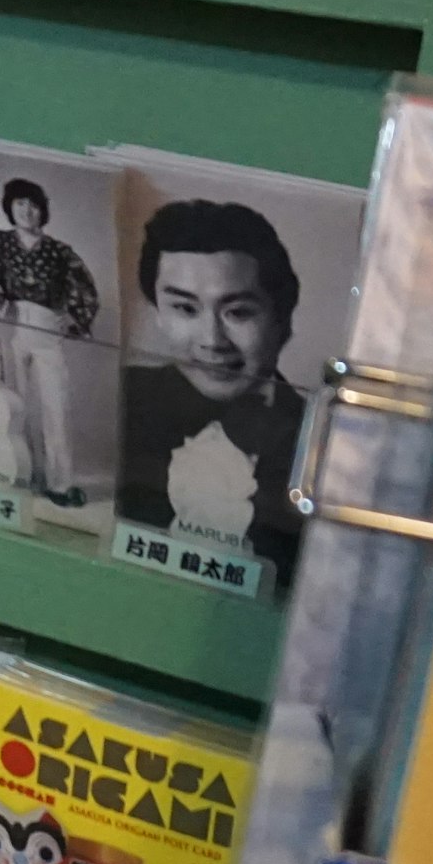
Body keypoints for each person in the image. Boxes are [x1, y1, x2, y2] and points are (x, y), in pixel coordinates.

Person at [118, 198, 307, 583]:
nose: (211, 340)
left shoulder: (321, 441)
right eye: (185, 309)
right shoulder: (118, 399)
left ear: (282, 320)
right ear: (157, 314)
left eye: (238, 312)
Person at [0, 177, 101, 506]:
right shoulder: (2, 241)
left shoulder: (60, 251)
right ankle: (26, 475)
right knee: (17, 407)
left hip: (46, 331)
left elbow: (87, 291)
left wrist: (74, 318)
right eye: (19, 203)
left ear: (42, 211)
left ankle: (59, 484)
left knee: (55, 408)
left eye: (33, 205)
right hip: (12, 326)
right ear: (10, 208)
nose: (26, 210)